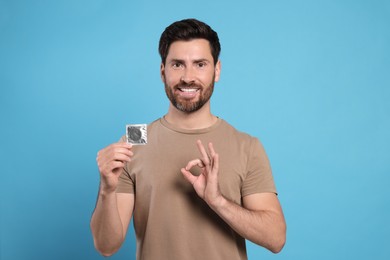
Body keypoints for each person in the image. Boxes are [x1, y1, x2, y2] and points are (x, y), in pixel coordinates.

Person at [90, 18, 286, 260]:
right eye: (177, 65)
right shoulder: (134, 139)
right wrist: (106, 190)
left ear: (217, 71)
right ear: (163, 71)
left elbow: (276, 239)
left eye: (200, 64)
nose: (188, 77)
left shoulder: (247, 146)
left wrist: (218, 201)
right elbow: (106, 246)